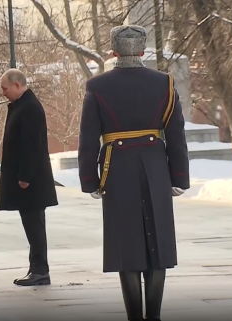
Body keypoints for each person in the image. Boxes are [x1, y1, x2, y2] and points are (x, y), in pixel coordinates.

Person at [77, 25, 189, 321]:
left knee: (126, 243)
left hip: (116, 167)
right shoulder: (164, 82)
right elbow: (176, 134)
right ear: (142, 50)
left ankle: (135, 317)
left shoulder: (97, 86)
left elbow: (88, 137)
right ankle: (154, 315)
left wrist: (89, 178)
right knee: (158, 242)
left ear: (113, 52)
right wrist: (178, 177)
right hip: (154, 164)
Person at [0, 68, 58, 286]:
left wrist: (24, 176)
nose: (3, 92)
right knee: (32, 225)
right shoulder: (22, 106)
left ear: (17, 85)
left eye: (5, 88)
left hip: (30, 181)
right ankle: (36, 268)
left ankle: (40, 270)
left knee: (35, 226)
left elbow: (32, 145)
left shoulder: (30, 107)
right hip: (28, 179)